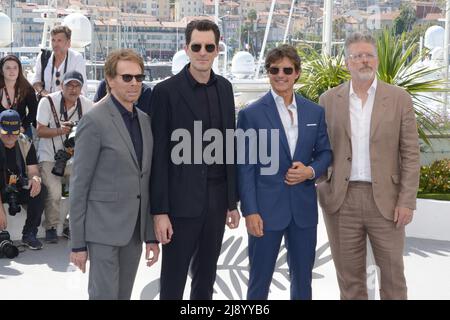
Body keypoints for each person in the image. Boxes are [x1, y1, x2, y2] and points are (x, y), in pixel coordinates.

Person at [317, 33, 420, 300]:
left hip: (387, 201)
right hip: (342, 201)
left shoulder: (399, 98)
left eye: (369, 55)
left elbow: (410, 153)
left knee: (393, 278)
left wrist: (407, 200)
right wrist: (322, 184)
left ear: (376, 59)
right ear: (347, 63)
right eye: (357, 56)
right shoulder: (328, 100)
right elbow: (319, 149)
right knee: (350, 282)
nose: (364, 60)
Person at [151, 19, 240, 300]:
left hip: (216, 201)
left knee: (206, 278)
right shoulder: (165, 92)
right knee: (173, 280)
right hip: (179, 205)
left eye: (209, 47)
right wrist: (160, 211)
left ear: (217, 49)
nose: (203, 52)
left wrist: (231, 202)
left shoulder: (225, 88)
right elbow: (159, 157)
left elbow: (229, 148)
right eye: (197, 46)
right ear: (186, 49)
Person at [237, 45, 332, 300]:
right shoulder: (250, 115)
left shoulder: (315, 112)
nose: (281, 75)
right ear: (268, 72)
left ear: (297, 73)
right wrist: (250, 211)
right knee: (259, 283)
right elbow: (244, 168)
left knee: (303, 283)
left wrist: (310, 171)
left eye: (287, 70)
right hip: (265, 213)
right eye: (274, 69)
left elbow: (325, 153)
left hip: (303, 211)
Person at [69, 49, 159, 300]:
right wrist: (78, 244)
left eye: (139, 78)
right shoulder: (93, 120)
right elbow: (79, 185)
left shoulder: (144, 120)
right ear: (110, 79)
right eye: (126, 77)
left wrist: (150, 236)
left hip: (134, 233)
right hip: (102, 231)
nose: (134, 84)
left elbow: (147, 180)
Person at [36, 70, 93, 243]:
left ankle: (72, 225)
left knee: (79, 192)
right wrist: (61, 130)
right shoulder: (48, 102)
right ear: (62, 86)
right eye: (69, 85)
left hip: (74, 158)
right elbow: (39, 130)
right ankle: (51, 227)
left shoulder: (86, 104)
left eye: (77, 85)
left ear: (81, 88)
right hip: (50, 157)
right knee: (54, 193)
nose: (73, 89)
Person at [0, 110, 46, 250]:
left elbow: (33, 171)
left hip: (17, 187)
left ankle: (29, 233)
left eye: (13, 132)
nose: (9, 136)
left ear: (19, 129)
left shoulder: (25, 142)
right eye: (5, 132)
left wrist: (36, 179)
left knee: (41, 190)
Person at [32, 26, 87, 96]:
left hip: (68, 104)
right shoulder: (43, 57)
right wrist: (46, 95)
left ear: (68, 43)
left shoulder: (76, 58)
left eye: (59, 40)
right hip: (46, 103)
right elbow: (36, 81)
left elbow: (82, 88)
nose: (55, 44)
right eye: (53, 40)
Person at [0, 55, 38, 138]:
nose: (12, 71)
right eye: (8, 68)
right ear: (2, 71)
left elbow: (33, 111)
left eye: (15, 68)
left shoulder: (27, 89)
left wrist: (24, 127)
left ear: (19, 70)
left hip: (21, 130)